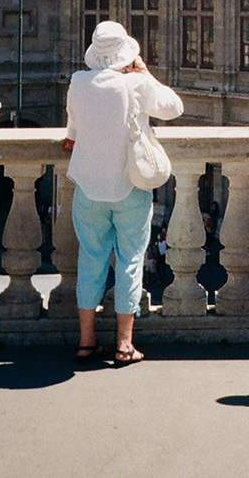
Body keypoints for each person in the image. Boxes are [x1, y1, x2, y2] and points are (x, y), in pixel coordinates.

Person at [63, 21, 183, 367]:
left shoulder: (78, 82)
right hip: (129, 185)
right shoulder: (136, 83)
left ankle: (86, 342)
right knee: (130, 262)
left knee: (90, 259)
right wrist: (146, 72)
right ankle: (124, 345)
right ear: (127, 54)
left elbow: (73, 126)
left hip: (88, 186)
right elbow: (174, 107)